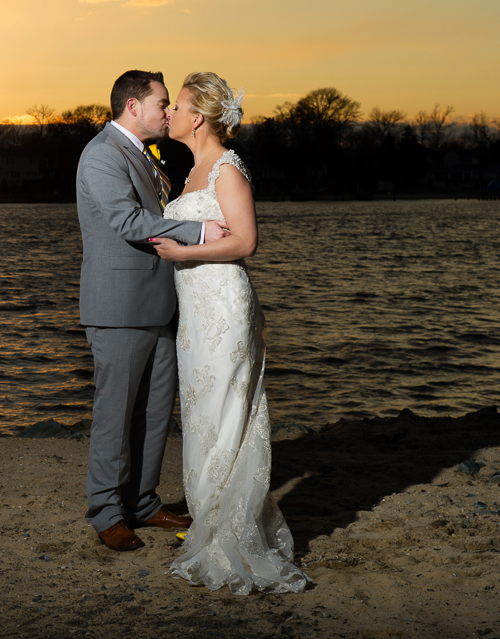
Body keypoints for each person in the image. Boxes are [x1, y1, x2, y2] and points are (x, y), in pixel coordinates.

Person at [149, 72, 309, 593]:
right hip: (195, 313)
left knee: (225, 410)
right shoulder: (191, 169)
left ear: (197, 117)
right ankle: (210, 517)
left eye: (178, 107)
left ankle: (227, 531)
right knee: (201, 411)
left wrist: (184, 252)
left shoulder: (226, 169)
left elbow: (246, 242)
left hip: (223, 306)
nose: (169, 113)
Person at [76, 70, 228, 552]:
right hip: (119, 308)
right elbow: (128, 221)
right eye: (162, 103)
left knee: (155, 412)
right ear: (133, 107)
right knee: (115, 416)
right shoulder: (101, 155)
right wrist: (200, 233)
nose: (168, 111)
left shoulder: (142, 153)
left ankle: (142, 502)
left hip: (158, 305)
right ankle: (105, 512)